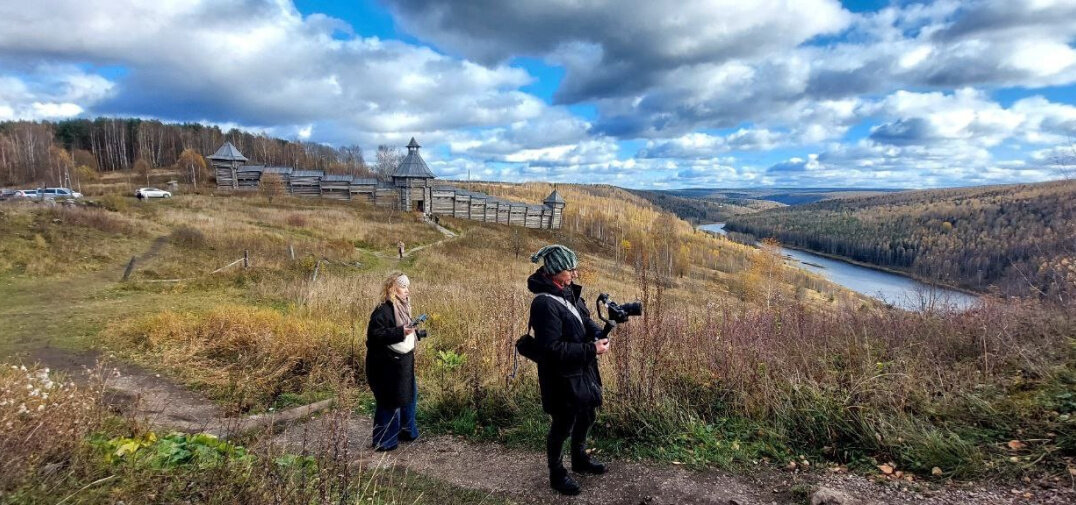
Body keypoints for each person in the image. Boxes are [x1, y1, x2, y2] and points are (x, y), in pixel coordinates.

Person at [527, 244, 612, 495]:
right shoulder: (544, 304)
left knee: (587, 414)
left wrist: (600, 332)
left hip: (581, 370)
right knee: (563, 424)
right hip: (560, 377)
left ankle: (579, 459)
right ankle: (557, 474)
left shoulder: (568, 293)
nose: (574, 274)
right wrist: (591, 350)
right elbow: (552, 349)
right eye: (570, 270)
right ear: (555, 271)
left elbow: (584, 320)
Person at [366, 271, 422, 451]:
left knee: (409, 396)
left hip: (401, 364)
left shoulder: (402, 307)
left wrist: (415, 334)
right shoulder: (383, 310)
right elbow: (374, 336)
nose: (407, 291)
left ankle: (406, 431)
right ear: (392, 288)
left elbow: (402, 331)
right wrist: (400, 332)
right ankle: (385, 441)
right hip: (385, 367)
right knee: (389, 401)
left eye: (408, 287)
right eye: (403, 286)